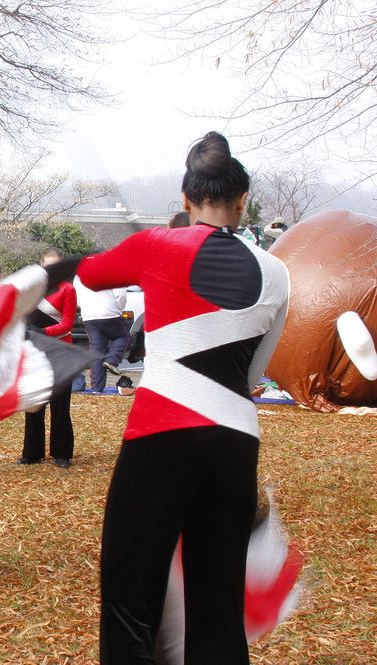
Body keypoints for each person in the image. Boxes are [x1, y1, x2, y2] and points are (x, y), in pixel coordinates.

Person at [77, 132, 289, 664]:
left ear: (185, 196)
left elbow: (90, 273)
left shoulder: (157, 246)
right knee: (218, 607)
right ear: (243, 202)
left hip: (161, 433)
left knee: (131, 595)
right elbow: (255, 371)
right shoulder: (278, 272)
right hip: (235, 441)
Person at [20, 246, 77, 468]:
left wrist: (42, 333)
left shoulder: (68, 289)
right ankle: (32, 453)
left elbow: (67, 325)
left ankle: (62, 453)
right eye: (48, 265)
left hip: (61, 353)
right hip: (35, 354)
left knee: (60, 405)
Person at [73, 276, 129, 392]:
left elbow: (77, 296)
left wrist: (85, 307)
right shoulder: (113, 269)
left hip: (89, 315)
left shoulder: (79, 274)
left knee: (96, 351)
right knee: (123, 336)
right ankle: (112, 360)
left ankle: (97, 388)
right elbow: (120, 295)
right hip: (109, 312)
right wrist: (118, 308)